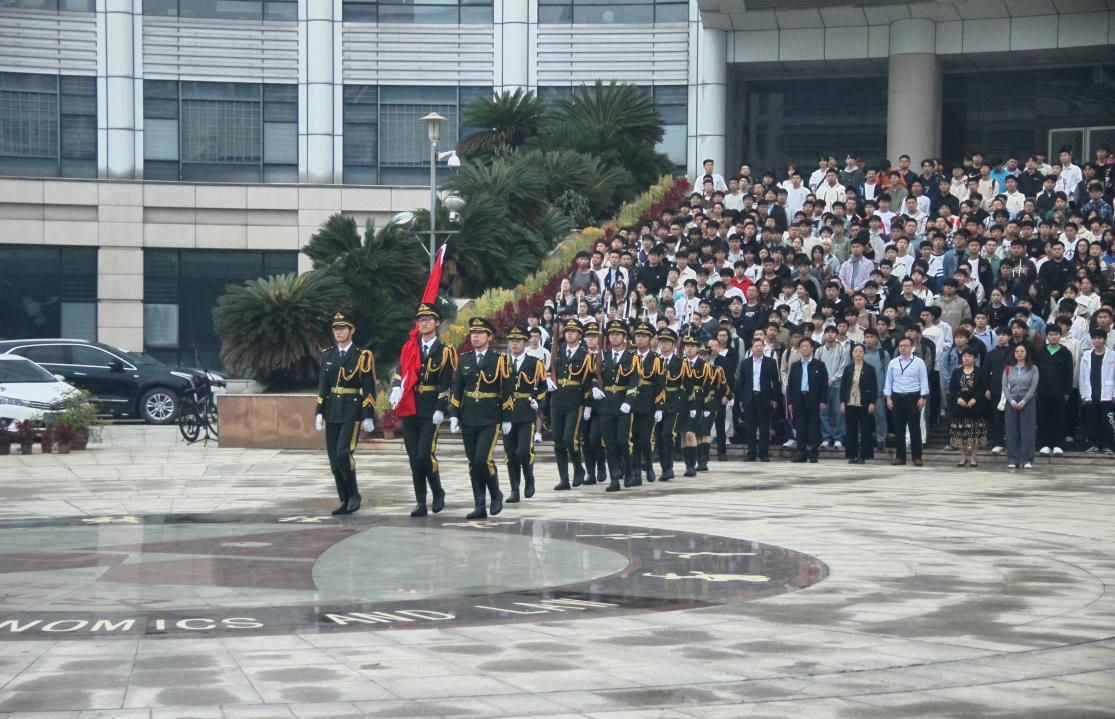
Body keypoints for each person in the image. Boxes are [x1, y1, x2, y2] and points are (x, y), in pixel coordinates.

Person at [389, 303, 454, 518]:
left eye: (428, 319)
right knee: (414, 458)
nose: (423, 323)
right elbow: (400, 372)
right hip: (410, 406)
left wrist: (441, 409)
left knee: (425, 454)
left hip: (430, 408)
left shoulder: (444, 352)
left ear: (437, 323)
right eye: (420, 320)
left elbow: (446, 384)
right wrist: (396, 388)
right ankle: (420, 501)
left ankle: (437, 491)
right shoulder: (410, 348)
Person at [448, 317, 513, 519]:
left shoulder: (500, 359)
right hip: (468, 416)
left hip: (490, 417)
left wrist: (507, 417)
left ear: (489, 337)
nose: (475, 336)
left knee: (482, 459)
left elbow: (508, 390)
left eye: (480, 333)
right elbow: (457, 389)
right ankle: (479, 505)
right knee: (473, 463)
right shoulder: (464, 359)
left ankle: (496, 494)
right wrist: (454, 415)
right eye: (473, 333)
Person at [315, 311, 377, 515]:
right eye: (336, 329)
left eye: (342, 328)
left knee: (343, 454)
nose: (338, 332)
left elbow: (369, 387)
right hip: (332, 409)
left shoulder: (362, 356)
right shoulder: (327, 355)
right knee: (334, 461)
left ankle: (354, 494)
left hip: (352, 409)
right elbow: (323, 386)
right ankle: (345, 499)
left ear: (352, 330)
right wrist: (319, 411)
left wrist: (368, 414)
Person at [548, 319, 598, 490]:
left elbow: (590, 381)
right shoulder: (557, 351)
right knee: (558, 440)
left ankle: (578, 468)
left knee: (569, 439)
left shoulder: (586, 356)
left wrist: (588, 404)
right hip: (557, 399)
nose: (569, 334)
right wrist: (548, 380)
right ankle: (564, 478)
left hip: (575, 401)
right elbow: (548, 370)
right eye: (567, 331)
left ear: (580, 335)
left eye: (573, 331)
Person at [502, 325, 546, 503]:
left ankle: (529, 477)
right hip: (507, 412)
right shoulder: (502, 362)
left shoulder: (535, 363)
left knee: (523, 451)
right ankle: (514, 489)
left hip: (526, 411)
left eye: (518, 341)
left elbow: (543, 386)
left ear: (525, 342)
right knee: (510, 454)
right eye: (512, 341)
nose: (514, 344)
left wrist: (537, 400)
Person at [599, 320, 638, 491]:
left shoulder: (632, 358)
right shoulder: (602, 356)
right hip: (606, 404)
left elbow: (634, 381)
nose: (614, 337)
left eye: (617, 334)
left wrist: (628, 401)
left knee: (623, 442)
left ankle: (628, 471)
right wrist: (595, 387)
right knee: (610, 444)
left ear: (624, 337)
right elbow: (596, 375)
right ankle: (614, 478)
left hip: (623, 404)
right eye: (611, 334)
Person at [625, 321, 665, 484]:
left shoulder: (656, 359)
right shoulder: (629, 357)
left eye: (643, 336)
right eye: (637, 336)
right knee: (633, 438)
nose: (640, 339)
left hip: (648, 403)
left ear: (650, 339)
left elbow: (660, 384)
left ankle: (648, 466)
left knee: (645, 439)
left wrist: (659, 407)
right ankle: (636, 472)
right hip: (631, 403)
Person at [884, 336, 930, 467]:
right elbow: (889, 381)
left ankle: (917, 457)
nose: (903, 348)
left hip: (913, 396)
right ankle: (900, 457)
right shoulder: (893, 362)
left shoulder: (919, 362)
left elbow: (924, 380)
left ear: (911, 347)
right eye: (901, 346)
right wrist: (888, 398)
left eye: (906, 346)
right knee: (899, 429)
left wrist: (923, 397)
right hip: (897, 397)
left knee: (914, 428)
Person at [736, 335, 779, 462]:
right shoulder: (745, 363)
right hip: (749, 398)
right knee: (750, 428)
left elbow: (775, 382)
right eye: (756, 346)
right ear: (752, 348)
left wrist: (775, 398)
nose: (758, 348)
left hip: (764, 398)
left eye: (760, 346)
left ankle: (763, 453)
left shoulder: (771, 362)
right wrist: (741, 400)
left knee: (764, 428)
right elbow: (741, 383)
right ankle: (751, 453)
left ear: (763, 347)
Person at [656, 328, 691, 480]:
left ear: (673, 345)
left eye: (667, 342)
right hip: (657, 403)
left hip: (673, 403)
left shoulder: (681, 362)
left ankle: (669, 468)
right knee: (658, 437)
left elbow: (688, 385)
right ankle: (664, 467)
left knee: (667, 434)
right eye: (661, 342)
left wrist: (690, 405)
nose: (663, 345)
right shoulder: (654, 360)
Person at [788, 337, 828, 463]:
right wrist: (790, 402)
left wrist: (823, 401)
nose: (804, 348)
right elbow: (790, 385)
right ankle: (801, 452)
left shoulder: (819, 365)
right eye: (802, 346)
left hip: (813, 399)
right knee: (800, 427)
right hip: (799, 399)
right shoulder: (795, 366)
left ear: (812, 348)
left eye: (806, 346)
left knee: (813, 426)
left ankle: (814, 452)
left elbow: (824, 385)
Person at [1036, 325, 1073, 457]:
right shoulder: (1040, 352)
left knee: (1059, 418)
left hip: (1059, 392)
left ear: (1060, 336)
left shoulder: (1065, 353)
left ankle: (1058, 445)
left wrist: (1067, 392)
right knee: (1043, 418)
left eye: (1056, 334)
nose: (1053, 337)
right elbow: (1035, 372)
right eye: (1051, 335)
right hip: (1042, 392)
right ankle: (1044, 444)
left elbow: (1069, 373)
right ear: (1047, 336)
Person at [840, 343, 878, 464]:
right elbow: (843, 387)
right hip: (850, 403)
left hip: (864, 403)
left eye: (860, 351)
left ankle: (864, 455)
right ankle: (852, 455)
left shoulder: (870, 369)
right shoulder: (848, 368)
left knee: (866, 430)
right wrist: (842, 402)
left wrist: (872, 402)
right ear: (852, 353)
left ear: (864, 353)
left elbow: (874, 387)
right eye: (855, 351)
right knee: (851, 430)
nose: (858, 354)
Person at [949, 348, 988, 467]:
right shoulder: (956, 371)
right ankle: (963, 457)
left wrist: (975, 399)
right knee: (961, 433)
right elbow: (952, 388)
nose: (966, 358)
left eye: (970, 356)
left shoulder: (980, 372)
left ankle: (973, 458)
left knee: (975, 433)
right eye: (964, 356)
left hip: (975, 407)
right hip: (959, 407)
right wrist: (958, 398)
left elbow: (983, 387)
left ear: (975, 358)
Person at [1003, 343, 1039, 470]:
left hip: (1027, 401)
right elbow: (1004, 386)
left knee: (1027, 431)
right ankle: (1013, 459)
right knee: (1011, 431)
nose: (1019, 353)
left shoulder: (1033, 368)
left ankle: (1027, 459)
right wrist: (1011, 400)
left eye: (1022, 351)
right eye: (1017, 351)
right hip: (1011, 401)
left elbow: (1033, 387)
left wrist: (1024, 401)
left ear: (1026, 353)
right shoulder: (1008, 368)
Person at [1079, 328, 1115, 456]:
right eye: (1094, 338)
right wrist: (1083, 394)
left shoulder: (1112, 355)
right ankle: (1093, 445)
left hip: (1107, 394)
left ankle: (1108, 446)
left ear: (1104, 339)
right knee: (1092, 421)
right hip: (1091, 393)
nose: (1096, 341)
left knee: (1107, 422)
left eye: (1099, 338)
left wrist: (1114, 394)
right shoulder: (1087, 355)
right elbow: (1082, 376)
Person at [682, 336, 709, 476]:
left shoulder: (703, 365)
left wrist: (707, 406)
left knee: (691, 432)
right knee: (683, 434)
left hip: (697, 400)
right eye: (687, 346)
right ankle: (687, 464)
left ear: (698, 349)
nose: (689, 349)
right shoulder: (680, 363)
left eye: (692, 346)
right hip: (682, 401)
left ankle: (693, 464)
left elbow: (708, 386)